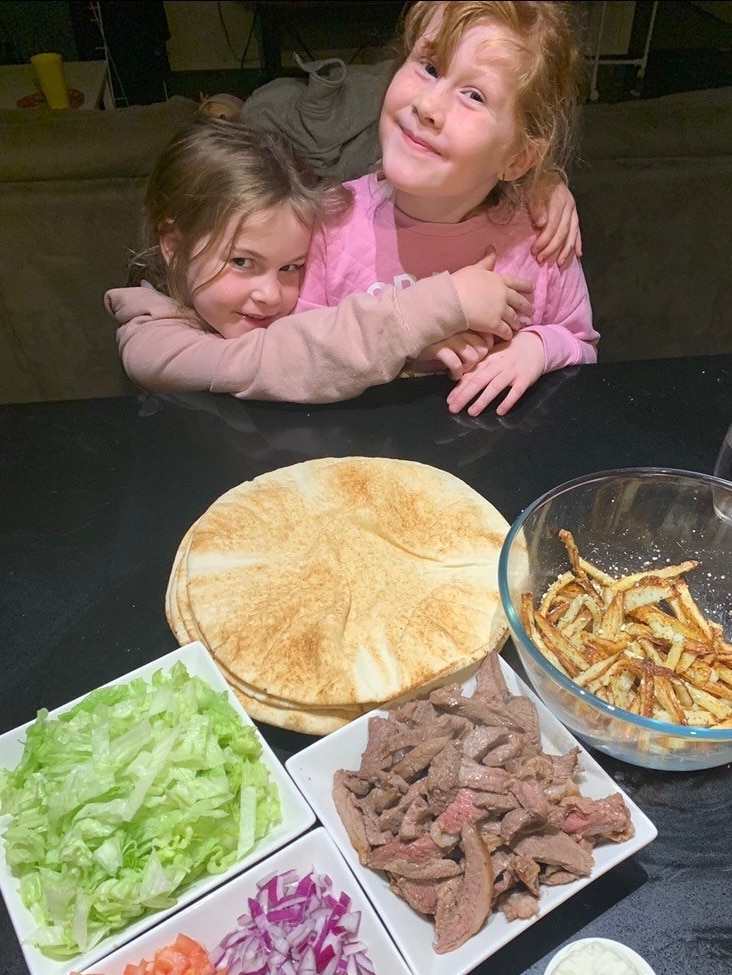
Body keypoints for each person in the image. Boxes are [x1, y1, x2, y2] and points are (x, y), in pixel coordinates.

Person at [296, 0, 599, 416]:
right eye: (429, 67)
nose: (428, 106)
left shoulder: (541, 237)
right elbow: (293, 352)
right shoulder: (331, 221)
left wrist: (538, 347)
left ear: (518, 160)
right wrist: (405, 339)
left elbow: (581, 343)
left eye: (474, 95)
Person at [106, 116, 538, 402]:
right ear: (172, 243)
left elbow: (332, 339)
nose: (271, 295)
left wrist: (542, 187)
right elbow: (285, 357)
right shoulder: (151, 345)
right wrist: (441, 304)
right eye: (241, 262)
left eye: (290, 266)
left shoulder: (257, 301)